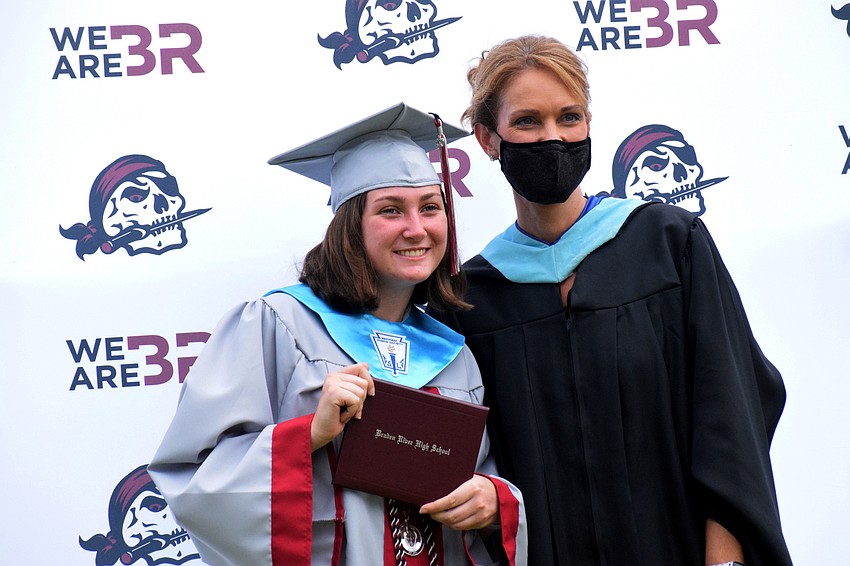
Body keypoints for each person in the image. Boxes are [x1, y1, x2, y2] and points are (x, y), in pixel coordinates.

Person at [427, 35, 793, 566]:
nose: (553, 137)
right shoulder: (472, 300)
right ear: (487, 138)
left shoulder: (668, 245)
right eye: (527, 121)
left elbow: (731, 416)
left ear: (589, 123)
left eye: (569, 117)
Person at [147, 103, 527, 566]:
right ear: (350, 227)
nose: (416, 229)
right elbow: (194, 479)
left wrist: (493, 502)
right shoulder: (278, 326)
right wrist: (307, 434)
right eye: (391, 210)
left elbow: (479, 477)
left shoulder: (453, 355)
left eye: (430, 208)